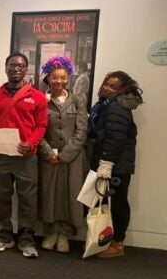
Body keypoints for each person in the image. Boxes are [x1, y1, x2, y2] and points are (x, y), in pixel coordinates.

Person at [0, 52, 48, 258]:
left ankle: (27, 240)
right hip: (0, 156)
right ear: (5, 68)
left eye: (20, 66)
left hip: (26, 157)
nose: (16, 68)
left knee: (27, 199)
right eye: (12, 65)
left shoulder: (37, 97)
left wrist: (31, 144)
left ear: (26, 69)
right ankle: (3, 236)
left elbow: (41, 125)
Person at [88, 71, 143, 258]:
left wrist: (106, 164)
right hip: (113, 163)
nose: (107, 88)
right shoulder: (105, 105)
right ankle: (106, 241)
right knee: (107, 203)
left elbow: (115, 138)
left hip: (116, 165)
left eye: (113, 87)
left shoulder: (116, 107)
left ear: (122, 90)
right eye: (106, 84)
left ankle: (118, 243)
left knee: (117, 203)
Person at [37, 57, 87, 254]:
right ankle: (51, 233)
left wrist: (66, 155)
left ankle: (64, 234)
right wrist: (49, 153)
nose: (59, 81)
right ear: (48, 78)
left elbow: (81, 131)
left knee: (70, 195)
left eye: (63, 78)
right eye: (54, 77)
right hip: (48, 157)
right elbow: (37, 130)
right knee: (49, 194)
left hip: (73, 158)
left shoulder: (78, 100)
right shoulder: (41, 100)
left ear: (69, 79)